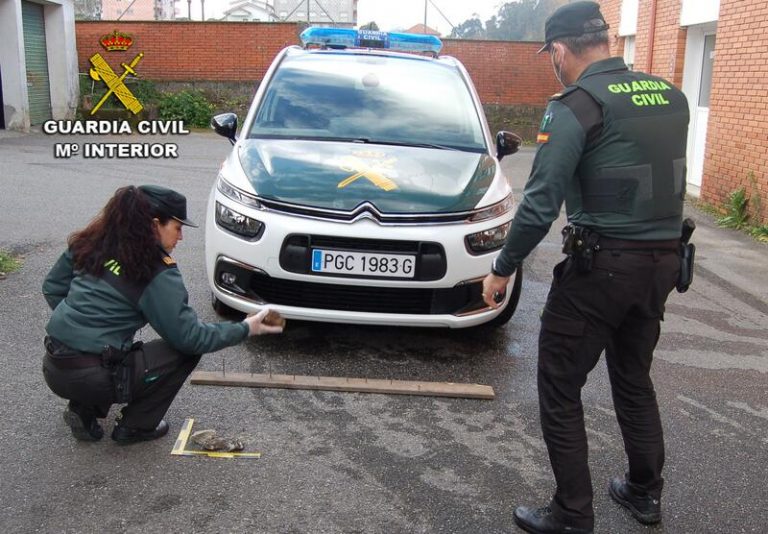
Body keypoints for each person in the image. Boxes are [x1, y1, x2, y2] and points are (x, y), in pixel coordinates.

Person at [482, 2, 690, 533]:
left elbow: (541, 201)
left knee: (559, 383)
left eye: (550, 53)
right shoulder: (671, 95)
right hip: (662, 265)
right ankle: (644, 493)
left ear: (559, 49)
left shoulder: (576, 104)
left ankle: (572, 513)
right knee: (632, 375)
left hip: (601, 269)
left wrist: (502, 268)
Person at [42, 185, 283, 445]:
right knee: (183, 352)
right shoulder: (154, 270)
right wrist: (247, 328)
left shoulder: (90, 243)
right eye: (177, 228)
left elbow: (52, 288)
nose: (180, 237)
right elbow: (190, 337)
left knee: (102, 355)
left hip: (54, 366)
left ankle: (84, 407)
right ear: (155, 224)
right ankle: (135, 426)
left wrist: (82, 325)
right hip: (95, 376)